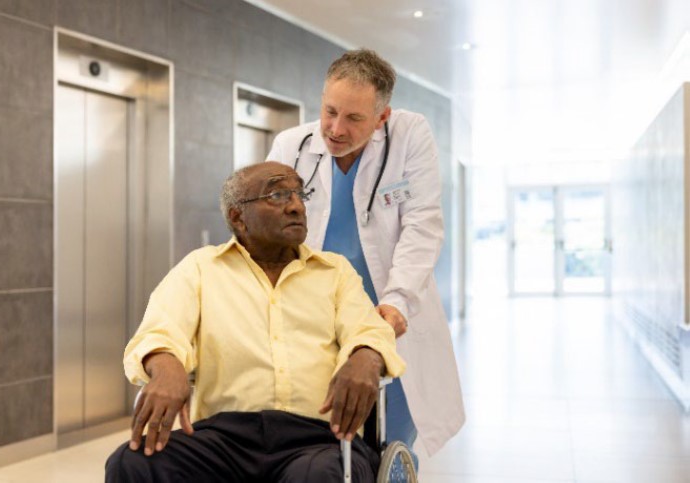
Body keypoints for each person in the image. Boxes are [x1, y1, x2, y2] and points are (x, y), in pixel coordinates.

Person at [105, 162, 405, 482]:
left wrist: (366, 356)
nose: (295, 206)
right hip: (224, 438)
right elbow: (160, 329)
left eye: (300, 194)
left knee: (317, 475)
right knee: (131, 461)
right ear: (237, 217)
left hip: (319, 439)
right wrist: (165, 366)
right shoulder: (201, 268)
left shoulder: (334, 272)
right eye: (277, 194)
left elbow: (367, 327)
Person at [267, 48, 465, 459]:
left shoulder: (409, 136)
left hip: (390, 316)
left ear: (382, 117)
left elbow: (422, 224)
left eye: (354, 118)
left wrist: (396, 303)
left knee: (390, 442)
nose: (335, 129)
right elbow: (264, 230)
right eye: (330, 111)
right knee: (323, 447)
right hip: (315, 322)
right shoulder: (292, 145)